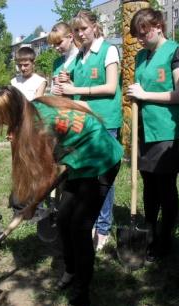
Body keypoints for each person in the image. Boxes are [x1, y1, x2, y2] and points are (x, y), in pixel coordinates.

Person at [0, 85, 122, 306]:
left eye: (2, 119)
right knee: (63, 220)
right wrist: (31, 202)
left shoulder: (40, 125)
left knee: (80, 228)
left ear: (14, 112)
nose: (2, 125)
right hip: (77, 159)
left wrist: (32, 205)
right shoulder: (33, 109)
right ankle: (71, 270)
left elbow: (51, 175)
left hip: (100, 158)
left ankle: (80, 300)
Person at [127, 8, 179, 262]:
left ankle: (165, 239)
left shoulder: (177, 51)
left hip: (167, 131)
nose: (140, 40)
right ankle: (149, 234)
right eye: (137, 36)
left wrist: (144, 95)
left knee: (165, 188)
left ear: (158, 27)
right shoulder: (141, 56)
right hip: (145, 130)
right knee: (149, 188)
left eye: (143, 34)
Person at [57, 10, 122, 250]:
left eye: (83, 28)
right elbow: (67, 81)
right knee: (88, 176)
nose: (80, 33)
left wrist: (79, 90)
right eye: (76, 30)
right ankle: (91, 221)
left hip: (105, 121)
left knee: (105, 177)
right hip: (83, 124)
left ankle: (103, 227)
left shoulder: (108, 50)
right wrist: (62, 81)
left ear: (95, 26)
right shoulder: (79, 56)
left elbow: (111, 87)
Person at [47, 22, 79, 96]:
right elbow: (53, 87)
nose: (56, 47)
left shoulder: (82, 58)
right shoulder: (57, 62)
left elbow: (86, 88)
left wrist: (70, 83)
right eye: (54, 45)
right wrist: (53, 90)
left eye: (59, 43)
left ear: (70, 37)